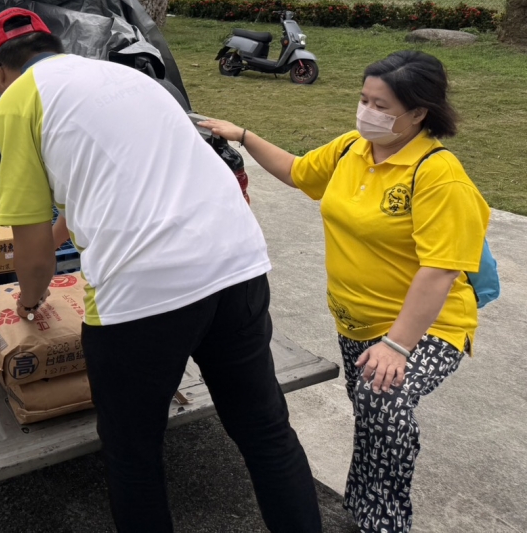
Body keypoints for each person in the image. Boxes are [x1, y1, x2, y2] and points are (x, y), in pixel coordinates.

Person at [0, 7, 322, 533]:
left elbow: (30, 248)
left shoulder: (14, 104)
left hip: (143, 292)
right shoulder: (123, 77)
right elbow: (97, 187)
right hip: (236, 262)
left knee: (133, 454)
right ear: (55, 48)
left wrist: (29, 298)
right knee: (264, 429)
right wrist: (56, 241)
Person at [200, 50, 490, 533]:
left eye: (381, 106)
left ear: (419, 113)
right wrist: (243, 135)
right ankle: (361, 509)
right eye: (364, 99)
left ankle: (384, 522)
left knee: (384, 405)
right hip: (357, 323)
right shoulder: (352, 149)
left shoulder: (439, 175)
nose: (367, 112)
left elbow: (440, 270)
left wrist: (397, 345)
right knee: (372, 418)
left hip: (425, 328)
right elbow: (298, 172)